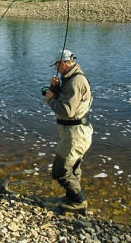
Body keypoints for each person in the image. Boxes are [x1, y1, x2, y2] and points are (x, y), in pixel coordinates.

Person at [44, 49, 93, 213]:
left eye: (57, 66)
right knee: (73, 169)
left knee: (60, 171)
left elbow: (66, 111)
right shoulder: (71, 78)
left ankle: (80, 201)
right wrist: (56, 88)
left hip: (75, 135)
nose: (56, 69)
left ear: (62, 64)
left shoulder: (75, 82)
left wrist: (50, 99)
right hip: (78, 132)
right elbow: (68, 102)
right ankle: (72, 198)